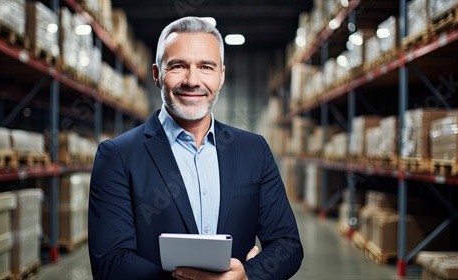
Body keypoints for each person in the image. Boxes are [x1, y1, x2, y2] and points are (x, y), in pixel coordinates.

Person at [88, 16, 303, 280]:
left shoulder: (253, 150)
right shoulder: (118, 156)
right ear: (157, 75)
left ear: (221, 76)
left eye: (206, 67)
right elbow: (110, 264)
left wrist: (248, 275)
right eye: (178, 66)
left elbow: (288, 244)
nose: (192, 80)